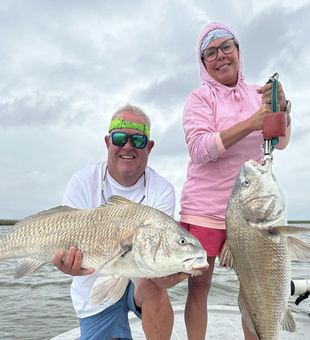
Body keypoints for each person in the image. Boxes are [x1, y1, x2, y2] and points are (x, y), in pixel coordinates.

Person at [179, 22, 291, 340]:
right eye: (210, 53)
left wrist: (282, 110)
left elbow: (279, 142)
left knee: (252, 285)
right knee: (199, 285)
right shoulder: (199, 99)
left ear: (238, 51)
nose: (220, 57)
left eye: (226, 47)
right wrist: (249, 123)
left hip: (252, 209)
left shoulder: (258, 95)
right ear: (202, 63)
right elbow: (199, 149)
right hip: (206, 208)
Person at [52, 104, 188, 340]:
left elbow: (157, 256)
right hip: (93, 285)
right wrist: (66, 264)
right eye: (119, 138)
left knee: (155, 287)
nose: (127, 146)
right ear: (107, 142)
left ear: (150, 147)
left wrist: (170, 271)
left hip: (140, 281)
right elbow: (63, 238)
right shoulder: (83, 181)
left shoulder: (162, 189)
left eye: (137, 141)